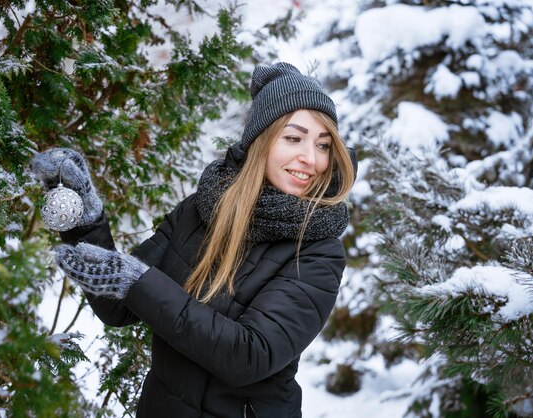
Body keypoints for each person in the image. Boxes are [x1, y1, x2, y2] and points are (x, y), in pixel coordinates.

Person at [31, 62, 356, 418]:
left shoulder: (319, 251)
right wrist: (84, 219)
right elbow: (118, 305)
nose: (311, 159)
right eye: (293, 138)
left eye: (323, 145)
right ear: (259, 141)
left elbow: (249, 355)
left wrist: (137, 280)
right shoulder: (203, 208)